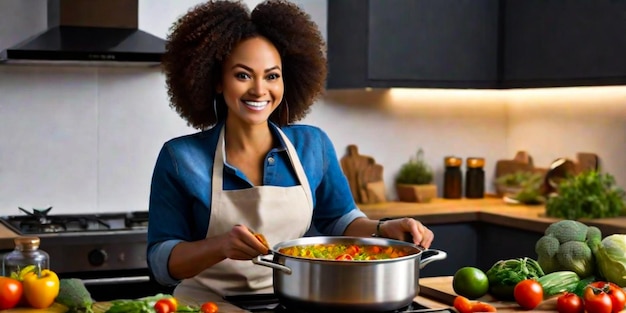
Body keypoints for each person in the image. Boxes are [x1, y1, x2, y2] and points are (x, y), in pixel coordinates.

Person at [147, 0, 435, 303]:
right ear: (217, 81)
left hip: (294, 301)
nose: (259, 90)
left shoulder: (313, 146)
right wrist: (221, 246)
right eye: (243, 75)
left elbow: (340, 220)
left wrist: (383, 228)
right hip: (206, 306)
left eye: (272, 76)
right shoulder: (181, 158)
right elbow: (161, 264)